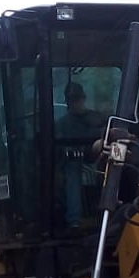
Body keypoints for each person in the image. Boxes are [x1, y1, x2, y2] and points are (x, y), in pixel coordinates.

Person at [56, 82, 106, 231]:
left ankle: (106, 211)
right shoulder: (62, 124)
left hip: (98, 159)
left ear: (84, 98)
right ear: (67, 102)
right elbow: (58, 150)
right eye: (72, 100)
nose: (76, 103)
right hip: (74, 162)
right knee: (72, 170)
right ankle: (74, 220)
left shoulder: (97, 118)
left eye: (78, 99)